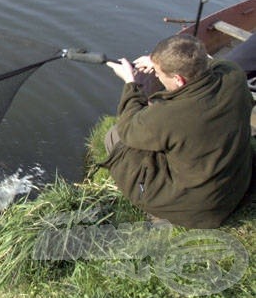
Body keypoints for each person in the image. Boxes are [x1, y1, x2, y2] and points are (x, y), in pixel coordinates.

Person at [102, 34, 253, 229]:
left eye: (158, 73)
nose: (156, 76)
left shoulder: (168, 115)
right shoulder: (234, 74)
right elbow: (213, 62)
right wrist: (159, 62)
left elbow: (128, 129)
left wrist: (131, 83)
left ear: (178, 79)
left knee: (114, 137)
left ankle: (162, 211)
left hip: (200, 209)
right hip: (236, 186)